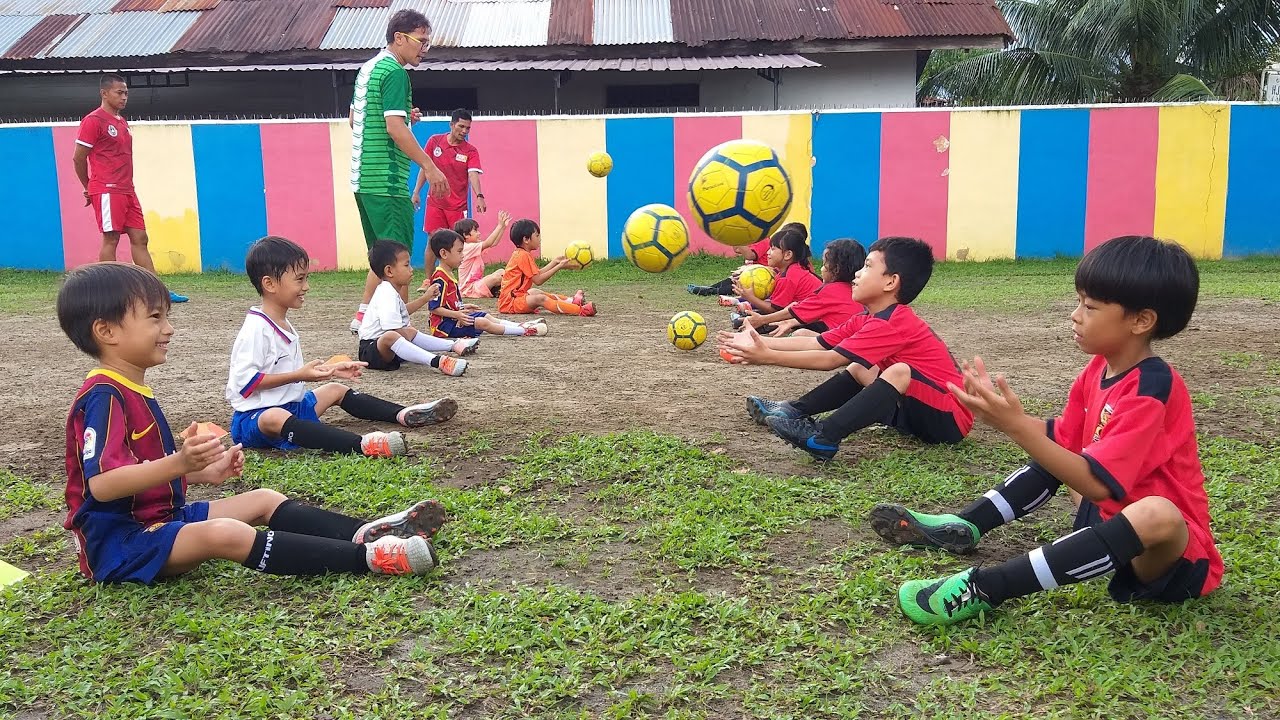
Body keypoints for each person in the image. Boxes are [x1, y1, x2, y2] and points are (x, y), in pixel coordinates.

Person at [871, 236, 1222, 626]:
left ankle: (987, 587)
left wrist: (1017, 427)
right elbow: (1062, 440)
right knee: (1055, 452)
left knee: (1159, 512)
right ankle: (967, 525)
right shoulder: (1097, 370)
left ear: (1141, 321)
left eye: (1090, 307)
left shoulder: (1153, 387)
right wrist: (1004, 416)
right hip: (1111, 519)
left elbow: (1099, 485)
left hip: (1171, 557)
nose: (1075, 315)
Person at [57, 262, 445, 584]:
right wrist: (180, 463)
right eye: (155, 318)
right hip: (122, 542)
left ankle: (365, 532)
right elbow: (104, 486)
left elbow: (137, 476)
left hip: (161, 518)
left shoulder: (132, 389)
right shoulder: (104, 397)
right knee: (225, 533)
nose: (169, 328)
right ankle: (369, 559)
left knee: (263, 498)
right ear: (106, 331)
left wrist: (202, 474)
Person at [730, 236, 971, 461]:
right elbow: (817, 342)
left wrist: (768, 356)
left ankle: (824, 437)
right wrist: (756, 341)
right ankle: (794, 410)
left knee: (899, 371)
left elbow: (831, 359)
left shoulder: (893, 322)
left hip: (949, 420)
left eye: (867, 266)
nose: (856, 273)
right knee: (860, 366)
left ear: (891, 281)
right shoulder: (868, 318)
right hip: (918, 411)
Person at [229, 236, 458, 457]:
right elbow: (246, 382)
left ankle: (403, 413)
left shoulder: (281, 322)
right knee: (275, 417)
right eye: (299, 279)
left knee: (334, 390)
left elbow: (284, 373)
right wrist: (300, 375)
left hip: (294, 407)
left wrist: (327, 370)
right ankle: (362, 445)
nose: (306, 286)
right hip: (254, 419)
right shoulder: (256, 329)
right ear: (269, 283)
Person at [348, 9, 449, 334]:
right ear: (399, 38)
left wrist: (405, 117)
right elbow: (394, 128)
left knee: (383, 258)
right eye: (421, 41)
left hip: (363, 181)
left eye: (428, 43)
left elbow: (356, 120)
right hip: (387, 180)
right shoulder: (395, 73)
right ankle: (400, 331)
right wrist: (429, 165)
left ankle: (364, 318)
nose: (424, 49)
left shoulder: (369, 68)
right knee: (400, 264)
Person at [72, 74, 187, 304]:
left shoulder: (121, 122)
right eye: (119, 92)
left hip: (127, 190)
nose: (124, 97)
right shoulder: (93, 121)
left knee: (140, 237)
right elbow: (78, 158)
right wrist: (90, 188)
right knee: (111, 238)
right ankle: (107, 293)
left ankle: (156, 292)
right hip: (107, 189)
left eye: (126, 93)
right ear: (104, 93)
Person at [359, 239, 479, 374]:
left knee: (409, 331)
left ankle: (454, 345)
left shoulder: (390, 291)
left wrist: (425, 298)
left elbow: (403, 311)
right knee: (393, 335)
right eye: (406, 265)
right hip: (371, 350)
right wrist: (411, 345)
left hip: (386, 347)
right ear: (389, 271)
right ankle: (437, 361)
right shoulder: (386, 294)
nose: (411, 270)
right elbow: (394, 332)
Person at [426, 229, 548, 338]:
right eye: (459, 252)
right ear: (444, 253)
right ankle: (524, 331)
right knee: (482, 323)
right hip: (444, 327)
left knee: (485, 316)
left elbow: (447, 302)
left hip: (453, 318)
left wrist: (461, 307)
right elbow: (434, 308)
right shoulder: (439, 278)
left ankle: (520, 325)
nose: (462, 256)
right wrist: (456, 314)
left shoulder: (448, 274)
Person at [738, 238, 866, 337]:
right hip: (850, 333)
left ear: (836, 269)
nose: (768, 253)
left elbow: (789, 310)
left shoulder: (828, 290)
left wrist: (762, 319)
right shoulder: (857, 289)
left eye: (824, 264)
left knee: (800, 334)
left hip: (841, 339)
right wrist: (790, 322)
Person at [727, 228, 823, 329]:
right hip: (807, 315)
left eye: (772, 249)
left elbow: (774, 309)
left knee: (752, 321)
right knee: (752, 318)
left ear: (788, 255)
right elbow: (776, 304)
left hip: (817, 320)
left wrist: (750, 298)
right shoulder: (787, 272)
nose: (768, 253)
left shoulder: (788, 277)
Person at [412, 109, 486, 239]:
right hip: (435, 202)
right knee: (433, 241)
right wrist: (416, 192)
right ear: (452, 125)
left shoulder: (471, 151)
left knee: (458, 242)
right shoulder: (435, 141)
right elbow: (425, 168)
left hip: (457, 206)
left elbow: (473, 174)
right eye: (461, 126)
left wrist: (479, 196)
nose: (464, 131)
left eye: (468, 128)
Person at [498, 219, 596, 316]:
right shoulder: (523, 256)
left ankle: (572, 301)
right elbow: (538, 280)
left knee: (535, 292)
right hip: (510, 303)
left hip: (515, 297)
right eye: (537, 235)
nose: (540, 239)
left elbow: (537, 273)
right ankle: (580, 310)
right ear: (526, 239)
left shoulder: (521, 253)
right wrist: (559, 266)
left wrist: (555, 262)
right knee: (540, 298)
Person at [687, 222, 808, 297]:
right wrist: (736, 236)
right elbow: (738, 250)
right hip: (754, 272)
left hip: (760, 275)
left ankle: (711, 291)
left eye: (773, 249)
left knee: (739, 283)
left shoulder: (763, 240)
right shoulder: (752, 238)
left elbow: (750, 255)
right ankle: (709, 289)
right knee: (733, 278)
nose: (769, 252)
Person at [421, 214, 508, 297]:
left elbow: (493, 243)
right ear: (466, 235)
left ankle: (498, 290)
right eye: (475, 231)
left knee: (501, 272)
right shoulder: (467, 247)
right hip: (469, 289)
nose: (479, 233)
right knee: (499, 275)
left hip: (476, 284)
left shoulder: (473, 246)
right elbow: (489, 243)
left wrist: (503, 227)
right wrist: (499, 226)